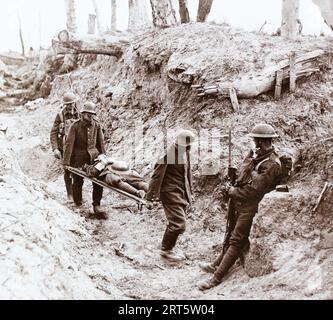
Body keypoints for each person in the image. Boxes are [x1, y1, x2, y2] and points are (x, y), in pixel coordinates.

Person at [197, 124, 283, 290]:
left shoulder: (271, 164)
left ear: (261, 142)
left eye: (254, 140)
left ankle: (216, 278)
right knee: (230, 234)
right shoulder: (256, 156)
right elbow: (244, 176)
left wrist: (233, 191)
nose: (252, 143)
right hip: (240, 203)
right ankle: (216, 264)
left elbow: (253, 191)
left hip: (251, 207)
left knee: (236, 240)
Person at [146, 130, 196, 262]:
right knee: (179, 224)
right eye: (187, 145)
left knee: (177, 222)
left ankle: (169, 248)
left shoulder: (184, 153)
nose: (189, 148)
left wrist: (190, 193)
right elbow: (157, 176)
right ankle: (166, 251)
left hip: (180, 192)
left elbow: (187, 174)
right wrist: (150, 198)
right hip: (169, 193)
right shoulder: (170, 154)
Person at [63, 101, 107, 219]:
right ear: (82, 114)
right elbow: (69, 144)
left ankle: (96, 205)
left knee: (99, 180)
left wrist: (103, 158)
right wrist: (66, 162)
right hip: (79, 159)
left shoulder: (97, 125)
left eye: (92, 115)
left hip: (94, 157)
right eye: (88, 115)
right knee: (77, 181)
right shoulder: (75, 126)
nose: (90, 117)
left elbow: (101, 143)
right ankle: (78, 203)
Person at [50, 91, 80, 202]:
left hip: (77, 146)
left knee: (77, 171)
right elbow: (53, 133)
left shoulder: (79, 114)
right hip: (64, 147)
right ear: (64, 105)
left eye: (71, 103)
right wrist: (55, 149)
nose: (70, 106)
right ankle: (69, 195)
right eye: (67, 104)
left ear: (75, 103)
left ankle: (77, 194)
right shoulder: (60, 115)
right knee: (67, 170)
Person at [83, 154, 148, 199]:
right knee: (117, 180)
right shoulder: (91, 166)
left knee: (134, 177)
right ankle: (137, 193)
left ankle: (149, 189)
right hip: (106, 173)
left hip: (119, 168)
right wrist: (101, 164)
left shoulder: (103, 157)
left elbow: (113, 161)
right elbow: (93, 172)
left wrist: (105, 161)